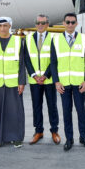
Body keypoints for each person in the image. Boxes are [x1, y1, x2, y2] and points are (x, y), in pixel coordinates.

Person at [50, 13, 85, 151]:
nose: (70, 24)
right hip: (63, 84)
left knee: (81, 111)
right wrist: (56, 82)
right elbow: (53, 63)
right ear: (63, 23)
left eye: (72, 22)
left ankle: (83, 137)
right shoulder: (56, 40)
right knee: (66, 112)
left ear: (76, 24)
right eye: (67, 22)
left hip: (79, 83)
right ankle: (69, 139)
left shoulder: (83, 38)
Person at [0, 16, 26, 148]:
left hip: (13, 84)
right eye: (0, 26)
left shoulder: (17, 41)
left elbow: (22, 64)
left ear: (10, 26)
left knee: (14, 112)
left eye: (5, 26)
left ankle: (16, 138)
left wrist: (21, 82)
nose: (2, 28)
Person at [24, 14, 60, 145]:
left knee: (52, 106)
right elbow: (26, 59)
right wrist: (34, 75)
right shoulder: (28, 38)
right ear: (35, 24)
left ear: (47, 24)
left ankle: (54, 131)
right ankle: (38, 131)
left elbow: (55, 59)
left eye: (43, 23)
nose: (40, 25)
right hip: (35, 80)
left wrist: (45, 75)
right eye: (38, 23)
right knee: (36, 106)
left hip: (48, 80)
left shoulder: (54, 38)